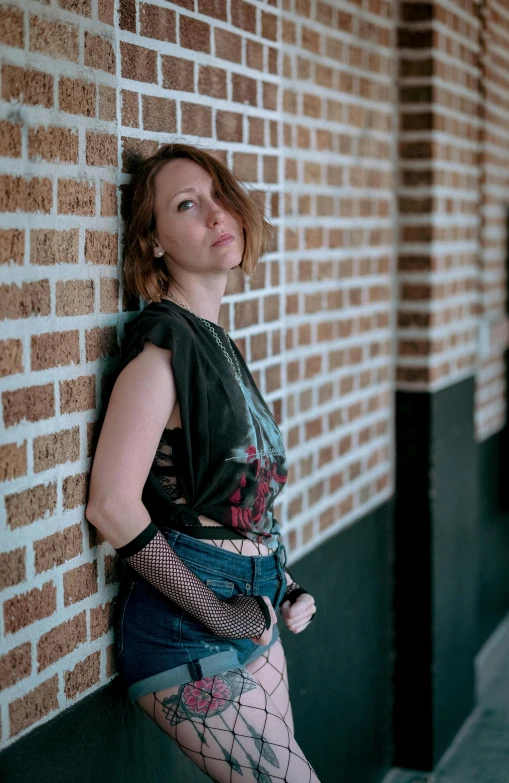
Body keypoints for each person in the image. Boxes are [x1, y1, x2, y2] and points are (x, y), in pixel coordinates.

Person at [86, 143, 319, 783]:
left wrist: (285, 584)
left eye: (220, 196)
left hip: (256, 601)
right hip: (188, 624)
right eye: (187, 205)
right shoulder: (163, 351)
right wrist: (216, 613)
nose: (217, 214)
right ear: (153, 242)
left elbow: (232, 502)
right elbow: (110, 504)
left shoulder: (216, 342)